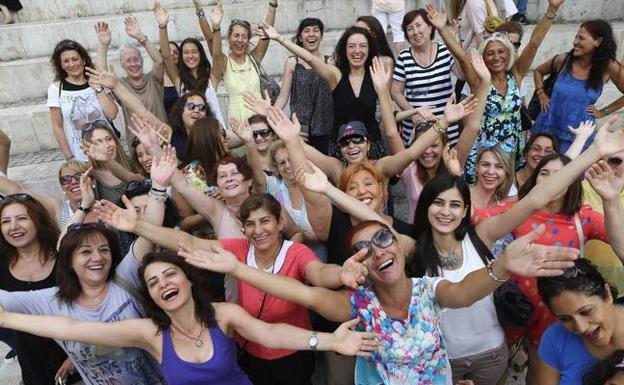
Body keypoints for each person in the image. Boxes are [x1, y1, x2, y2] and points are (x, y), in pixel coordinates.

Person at [176, 218, 578, 384]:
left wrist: (503, 266)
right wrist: (238, 268)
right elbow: (305, 293)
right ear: (361, 267)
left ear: (399, 249)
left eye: (382, 238)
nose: (376, 250)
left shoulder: (428, 290)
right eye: (362, 248)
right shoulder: (359, 305)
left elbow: (464, 291)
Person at [0, 251, 379, 385]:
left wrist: (330, 340)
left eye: (170, 274)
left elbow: (271, 332)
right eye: (153, 282)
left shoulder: (222, 314)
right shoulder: (149, 332)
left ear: (186, 280)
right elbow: (72, 327)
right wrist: (8, 319)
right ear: (150, 296)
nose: (164, 283)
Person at [473, 129, 624, 383]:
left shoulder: (582, 216)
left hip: (556, 317)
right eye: (545, 174)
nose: (552, 181)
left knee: (539, 374)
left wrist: (610, 201)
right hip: (511, 308)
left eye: (560, 176)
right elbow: (470, 221)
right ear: (535, 179)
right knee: (498, 372)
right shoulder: (516, 208)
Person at [0, 170, 170, 384]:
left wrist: (159, 186)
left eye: (104, 250)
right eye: (86, 252)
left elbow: (150, 232)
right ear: (68, 260)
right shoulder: (50, 300)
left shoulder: (125, 277)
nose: (97, 258)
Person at [430, 0, 565, 183]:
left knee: (508, 198)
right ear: (483, 58)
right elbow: (462, 58)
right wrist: (442, 29)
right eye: (490, 53)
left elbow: (534, 43)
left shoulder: (515, 75)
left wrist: (552, 9)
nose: (496, 57)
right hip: (483, 153)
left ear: (509, 54)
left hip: (511, 149)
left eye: (501, 52)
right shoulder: (480, 81)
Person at [260, 24, 388, 157]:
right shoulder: (335, 75)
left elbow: (388, 123)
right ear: (344, 50)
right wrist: (280, 38)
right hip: (342, 147)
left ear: (369, 49)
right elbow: (310, 59)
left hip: (372, 146)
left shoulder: (377, 76)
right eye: (351, 46)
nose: (357, 50)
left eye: (363, 46)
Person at [0, 194, 78, 385]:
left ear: (38, 220)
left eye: (22, 218)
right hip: (33, 369)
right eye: (5, 221)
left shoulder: (65, 258)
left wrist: (78, 355)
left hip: (80, 365)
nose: (14, 227)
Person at [533, 19, 624, 152]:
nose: (575, 42)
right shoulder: (564, 60)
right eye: (575, 37)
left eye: (581, 38)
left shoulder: (608, 66)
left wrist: (603, 112)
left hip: (578, 136)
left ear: (597, 42)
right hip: (548, 128)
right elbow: (538, 71)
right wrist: (541, 93)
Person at [536, 259, 624, 385]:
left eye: (586, 311)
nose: (581, 328)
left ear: (607, 293)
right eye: (565, 319)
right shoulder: (555, 338)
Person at [391, 8, 459, 146]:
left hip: (446, 124)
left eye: (418, 25)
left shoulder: (444, 51)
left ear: (430, 27)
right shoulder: (404, 57)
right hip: (417, 128)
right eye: (409, 28)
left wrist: (454, 42)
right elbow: (395, 91)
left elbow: (462, 74)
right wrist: (413, 113)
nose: (415, 32)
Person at [96, 17, 168, 143]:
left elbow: (159, 61)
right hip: (138, 144)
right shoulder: (119, 84)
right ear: (122, 65)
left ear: (142, 61)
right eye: (128, 61)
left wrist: (140, 37)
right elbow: (101, 75)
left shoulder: (154, 79)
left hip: (163, 137)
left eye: (136, 59)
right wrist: (103, 45)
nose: (133, 64)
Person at [47, 36, 118, 161]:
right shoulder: (55, 89)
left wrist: (98, 89)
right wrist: (70, 157)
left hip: (109, 152)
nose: (72, 64)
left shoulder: (98, 79)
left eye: (75, 59)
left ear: (83, 60)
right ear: (61, 65)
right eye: (66, 61)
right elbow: (57, 126)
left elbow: (112, 114)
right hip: (81, 156)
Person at [155, 3, 225, 128]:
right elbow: (166, 56)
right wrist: (162, 26)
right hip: (190, 137)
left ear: (201, 54)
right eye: (186, 53)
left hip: (215, 134)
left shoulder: (212, 78)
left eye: (194, 52)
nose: (190, 56)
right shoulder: (179, 81)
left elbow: (217, 55)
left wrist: (216, 28)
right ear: (181, 57)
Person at [271, 17, 334, 155]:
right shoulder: (292, 62)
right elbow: (283, 97)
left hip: (326, 126)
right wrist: (269, 114)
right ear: (300, 37)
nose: (311, 34)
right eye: (306, 31)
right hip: (300, 128)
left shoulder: (330, 62)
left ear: (321, 36)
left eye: (315, 31)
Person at [210, 1, 278, 124]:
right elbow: (216, 54)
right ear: (229, 38)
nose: (240, 40)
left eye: (244, 36)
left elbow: (266, 34)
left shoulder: (254, 58)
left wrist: (272, 7)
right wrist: (216, 27)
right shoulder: (225, 62)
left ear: (248, 40)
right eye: (236, 35)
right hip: (238, 122)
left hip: (260, 119)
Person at [0, 160, 97, 230]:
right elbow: (17, 189)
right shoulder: (58, 208)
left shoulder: (105, 206)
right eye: (66, 179)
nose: (73, 182)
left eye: (79, 176)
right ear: (62, 187)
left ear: (93, 181)